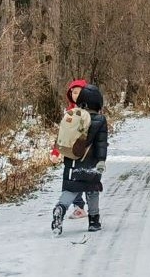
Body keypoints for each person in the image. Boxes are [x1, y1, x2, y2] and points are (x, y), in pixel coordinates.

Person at [51, 84, 108, 234]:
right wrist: (101, 160)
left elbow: (63, 137)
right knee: (92, 190)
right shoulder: (100, 120)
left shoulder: (73, 115)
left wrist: (57, 152)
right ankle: (94, 221)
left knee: (71, 189)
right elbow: (101, 143)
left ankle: (60, 208)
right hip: (91, 162)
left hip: (72, 160)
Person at [50, 79, 89, 219]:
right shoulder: (69, 112)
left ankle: (90, 211)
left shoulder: (91, 110)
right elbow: (62, 133)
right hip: (71, 151)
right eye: (73, 92)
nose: (75, 95)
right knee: (71, 179)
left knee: (85, 180)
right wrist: (56, 151)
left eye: (79, 92)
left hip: (87, 151)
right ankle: (77, 207)